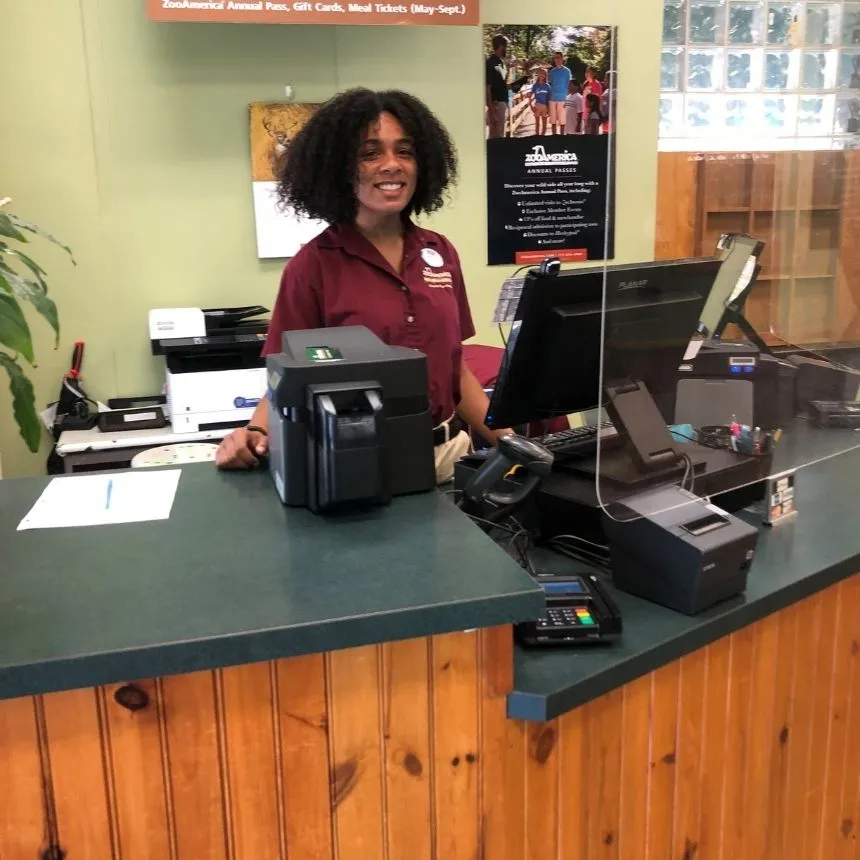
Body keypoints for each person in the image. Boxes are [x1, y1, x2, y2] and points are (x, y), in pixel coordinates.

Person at [215, 88, 512, 483]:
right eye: (370, 153)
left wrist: (510, 443)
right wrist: (254, 433)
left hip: (452, 458)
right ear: (339, 168)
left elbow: (455, 368)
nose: (392, 165)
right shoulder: (313, 267)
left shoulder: (440, 252)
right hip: (361, 465)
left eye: (404, 151)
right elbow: (285, 378)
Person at [485, 34, 528, 139]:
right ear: (501, 46)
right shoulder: (490, 64)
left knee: (501, 136)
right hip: (496, 106)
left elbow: (505, 86)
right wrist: (491, 112)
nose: (507, 50)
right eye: (506, 47)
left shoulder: (502, 64)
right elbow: (487, 89)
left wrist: (524, 78)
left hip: (503, 105)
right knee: (496, 138)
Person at [547, 52, 572, 135]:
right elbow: (549, 85)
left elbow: (569, 85)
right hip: (552, 99)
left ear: (562, 59)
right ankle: (554, 138)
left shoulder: (567, 71)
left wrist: (567, 98)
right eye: (555, 58)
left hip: (563, 99)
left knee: (562, 122)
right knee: (553, 122)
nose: (557, 59)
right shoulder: (552, 72)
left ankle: (561, 139)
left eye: (558, 58)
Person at [530, 68, 551, 136]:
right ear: (538, 74)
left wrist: (549, 108)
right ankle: (537, 135)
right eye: (540, 73)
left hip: (545, 106)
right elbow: (530, 96)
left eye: (543, 74)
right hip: (537, 105)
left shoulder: (547, 86)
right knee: (537, 122)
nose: (541, 75)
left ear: (545, 75)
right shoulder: (535, 86)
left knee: (544, 123)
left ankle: (543, 135)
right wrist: (531, 106)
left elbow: (549, 97)